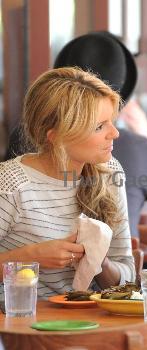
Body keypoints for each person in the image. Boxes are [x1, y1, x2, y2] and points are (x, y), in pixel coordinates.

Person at [5, 32, 147, 238]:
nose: (114, 134)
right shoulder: (140, 148)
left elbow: (123, 259)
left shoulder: (24, 136)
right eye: (98, 126)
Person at [0, 67, 135, 298]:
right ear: (55, 135)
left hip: (93, 324)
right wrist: (30, 257)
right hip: (21, 328)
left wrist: (100, 261)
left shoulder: (110, 172)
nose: (115, 133)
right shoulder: (11, 184)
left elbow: (128, 275)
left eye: (112, 121)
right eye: (99, 126)